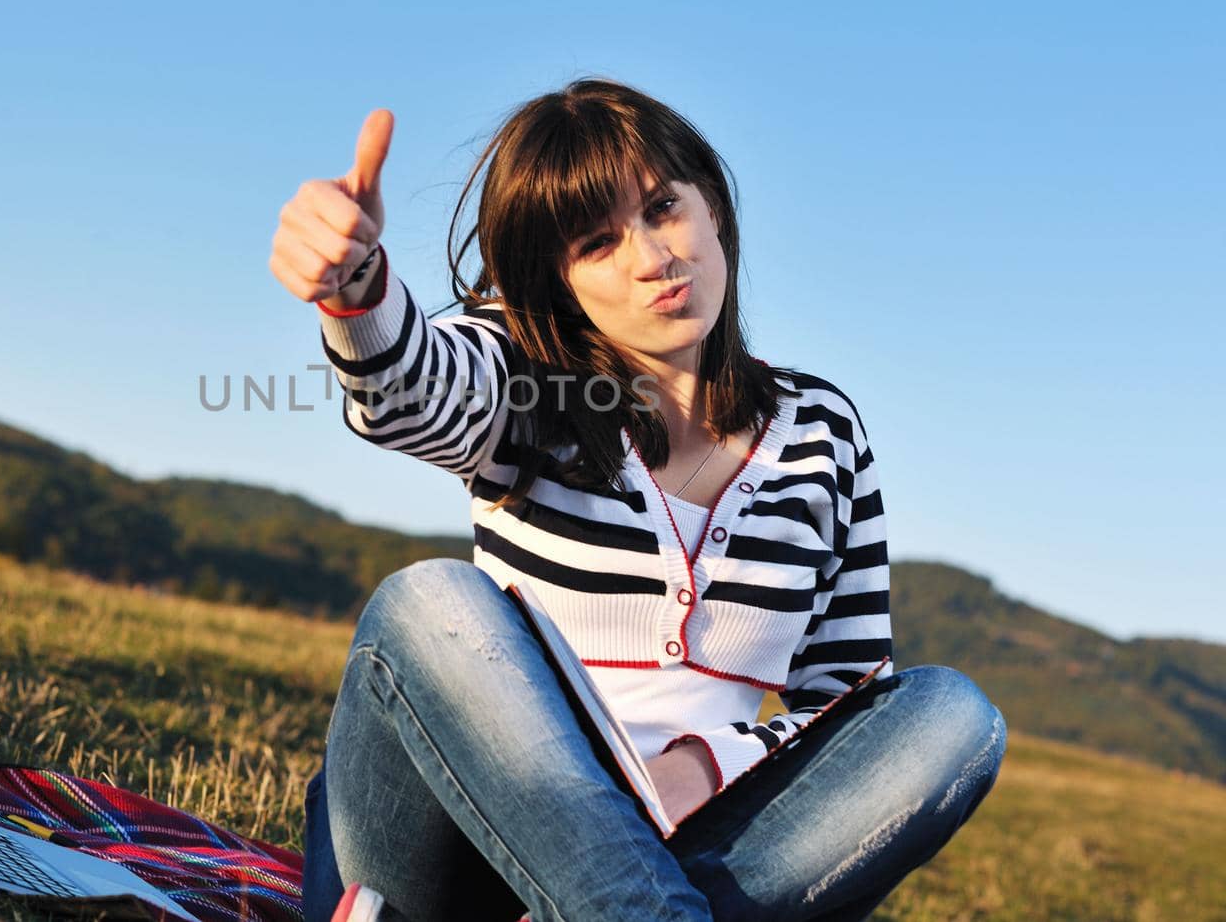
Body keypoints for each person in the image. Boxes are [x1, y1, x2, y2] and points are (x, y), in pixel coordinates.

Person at [267, 79, 1006, 922]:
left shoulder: (823, 435)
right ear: (561, 283)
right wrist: (358, 290)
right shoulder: (524, 377)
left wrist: (704, 763)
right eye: (596, 242)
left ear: (715, 207)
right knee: (429, 602)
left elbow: (846, 708)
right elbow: (414, 389)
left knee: (951, 714)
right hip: (451, 854)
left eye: (663, 207)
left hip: (693, 844)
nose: (652, 257)